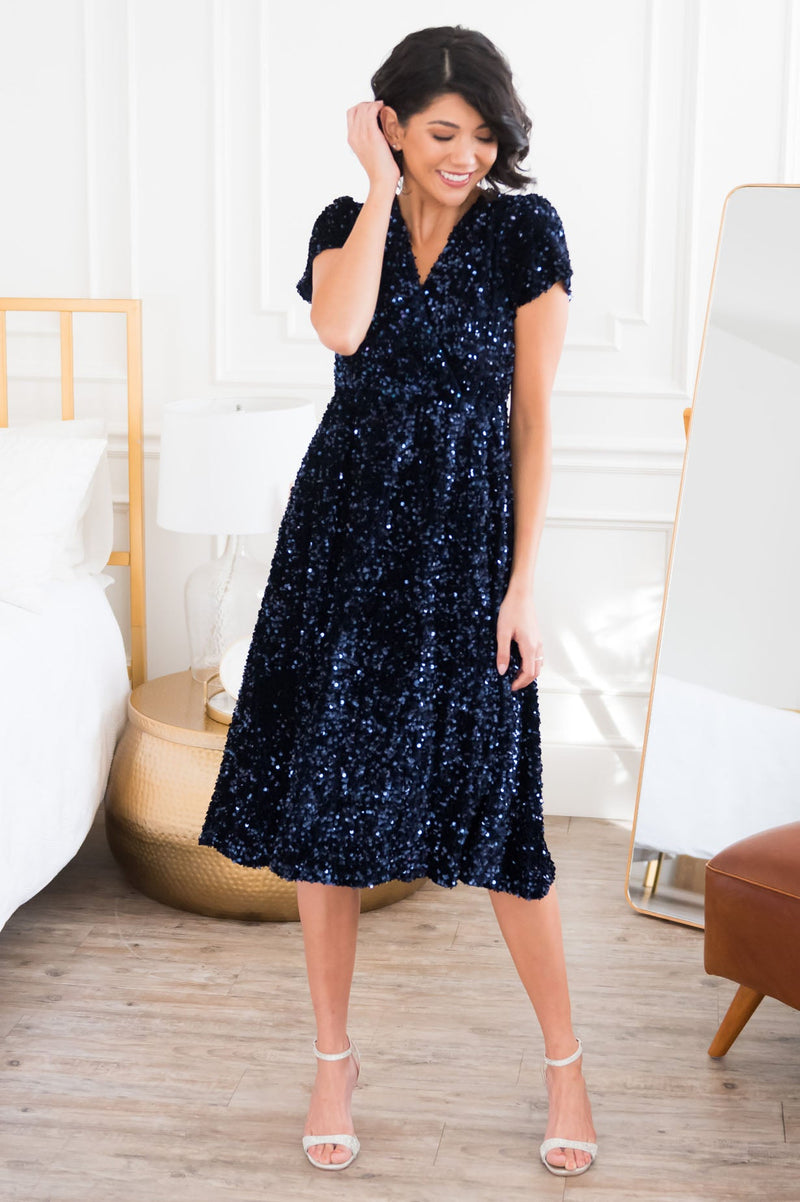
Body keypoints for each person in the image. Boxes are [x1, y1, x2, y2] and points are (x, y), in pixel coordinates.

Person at [198, 24, 597, 1179]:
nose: (466, 154)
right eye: (439, 133)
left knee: (500, 820)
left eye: (482, 135)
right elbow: (339, 328)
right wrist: (377, 186)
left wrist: (521, 584)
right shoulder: (344, 222)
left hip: (465, 554)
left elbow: (533, 420)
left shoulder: (524, 231)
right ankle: (332, 1058)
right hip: (341, 543)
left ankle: (565, 1061)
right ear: (389, 125)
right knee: (324, 817)